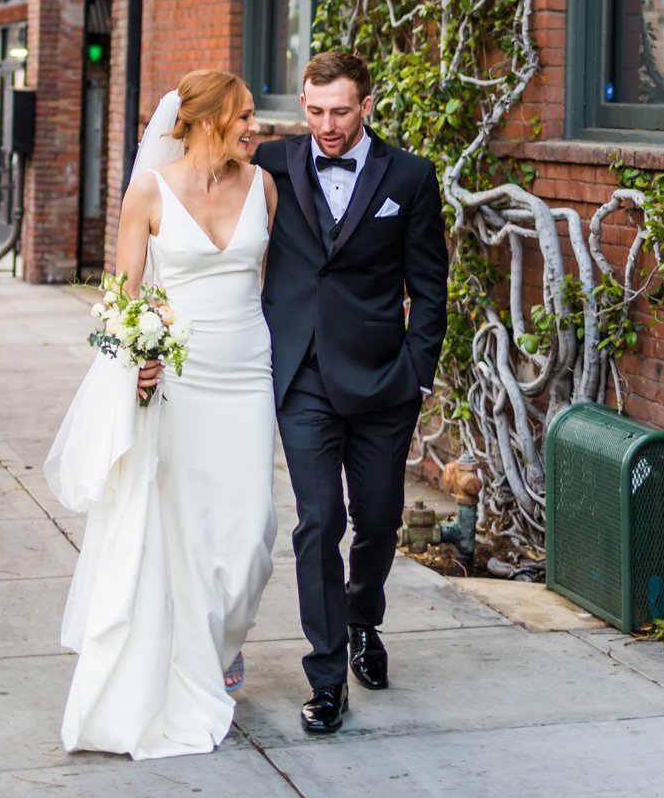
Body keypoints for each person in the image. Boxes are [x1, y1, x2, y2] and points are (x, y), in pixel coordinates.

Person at [46, 69, 278, 759]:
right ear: (205, 120)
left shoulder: (262, 187)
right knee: (183, 531)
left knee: (252, 534)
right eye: (243, 117)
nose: (255, 128)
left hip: (247, 374)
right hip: (177, 378)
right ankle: (199, 660)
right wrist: (137, 356)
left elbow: (266, 287)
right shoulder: (147, 191)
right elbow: (121, 296)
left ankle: (224, 641)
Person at [255, 49, 449, 735]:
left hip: (380, 379)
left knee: (376, 521)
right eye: (313, 111)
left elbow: (429, 287)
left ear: (365, 104)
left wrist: (416, 373)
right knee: (318, 522)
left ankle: (364, 619)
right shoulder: (271, 163)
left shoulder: (410, 177)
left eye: (339, 111)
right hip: (301, 373)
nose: (326, 125)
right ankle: (327, 675)